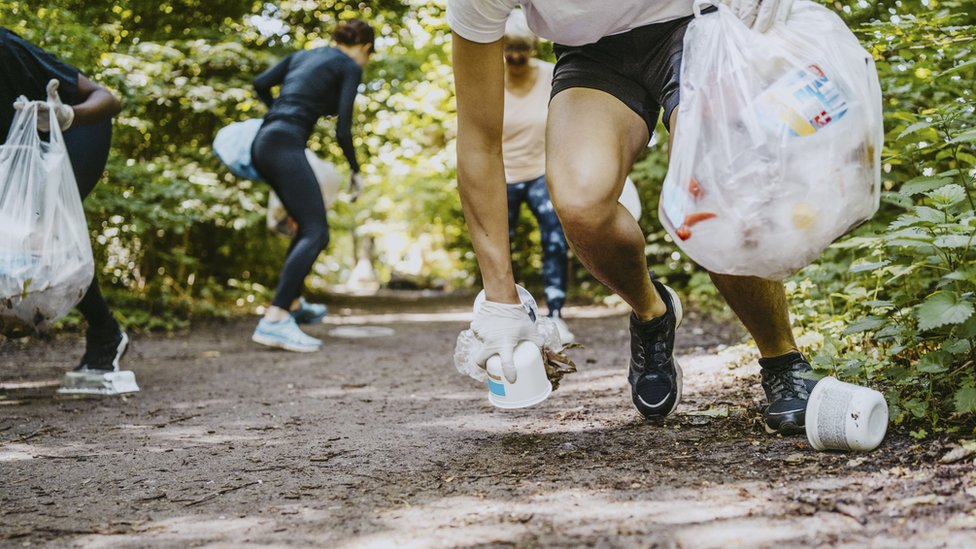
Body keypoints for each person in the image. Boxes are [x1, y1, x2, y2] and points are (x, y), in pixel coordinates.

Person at [449, 0, 819, 435]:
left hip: (697, 25)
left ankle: (783, 360)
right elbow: (478, 141)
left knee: (712, 179)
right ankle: (652, 312)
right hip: (592, 55)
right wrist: (501, 301)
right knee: (579, 205)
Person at [1, 27, 131, 394]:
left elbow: (108, 99)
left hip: (72, 135)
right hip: (13, 160)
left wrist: (68, 115)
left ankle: (107, 335)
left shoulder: (4, 48)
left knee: (45, 231)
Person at [249, 19, 373, 352]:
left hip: (265, 141)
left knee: (306, 226)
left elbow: (260, 83)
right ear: (364, 47)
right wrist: (356, 171)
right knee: (317, 231)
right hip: (285, 144)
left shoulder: (302, 56)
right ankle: (274, 319)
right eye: (369, 55)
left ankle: (291, 305)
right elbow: (343, 129)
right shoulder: (349, 65)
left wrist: (276, 111)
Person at [499, 12, 574, 345]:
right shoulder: (488, 79)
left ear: (532, 47)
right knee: (499, 241)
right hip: (503, 175)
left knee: (555, 239)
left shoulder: (549, 75)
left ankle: (556, 312)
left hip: (541, 172)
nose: (515, 56)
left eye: (522, 48)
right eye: (508, 48)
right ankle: (504, 312)